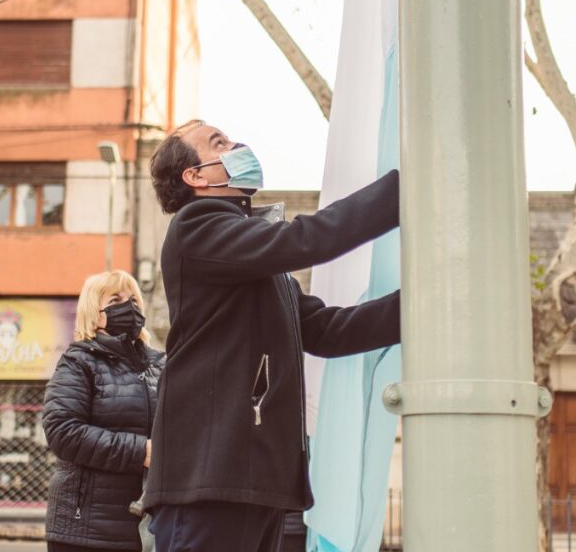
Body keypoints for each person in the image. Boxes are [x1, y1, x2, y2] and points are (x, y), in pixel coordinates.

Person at [143, 120, 400, 551]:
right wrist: (399, 192)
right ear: (195, 176)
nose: (237, 145)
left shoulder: (253, 255)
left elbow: (327, 331)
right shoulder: (197, 227)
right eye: (218, 143)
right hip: (212, 477)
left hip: (250, 476)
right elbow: (305, 239)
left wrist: (419, 304)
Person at [43, 271, 165, 552]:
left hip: (148, 531)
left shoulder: (161, 365)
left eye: (134, 299)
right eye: (116, 299)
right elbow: (63, 432)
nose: (129, 306)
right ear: (94, 314)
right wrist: (141, 452)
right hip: (86, 531)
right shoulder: (79, 362)